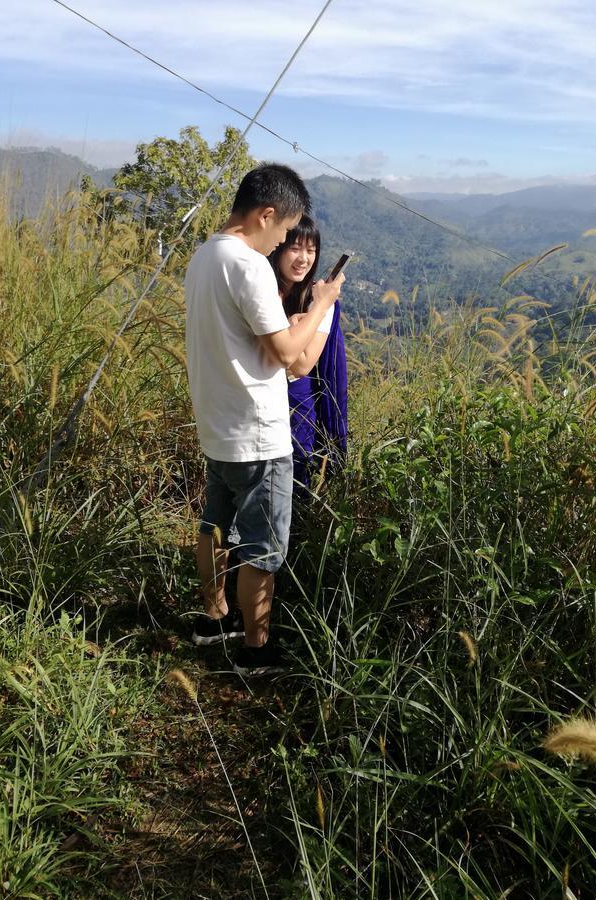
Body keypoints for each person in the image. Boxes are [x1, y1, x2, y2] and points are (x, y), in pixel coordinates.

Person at [184, 163, 344, 676]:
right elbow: (287, 357)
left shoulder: (203, 256)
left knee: (214, 526)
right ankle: (256, 651)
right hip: (258, 434)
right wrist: (320, 306)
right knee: (263, 549)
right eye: (282, 232)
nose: (281, 245)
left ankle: (213, 621)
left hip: (216, 424)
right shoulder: (249, 265)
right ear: (267, 214)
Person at [268, 216, 348, 490]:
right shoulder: (263, 292)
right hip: (257, 408)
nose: (303, 258)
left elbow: (301, 364)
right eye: (295, 248)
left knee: (291, 486)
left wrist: (321, 305)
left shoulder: (319, 303)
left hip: (296, 409)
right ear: (278, 246)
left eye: (311, 250)